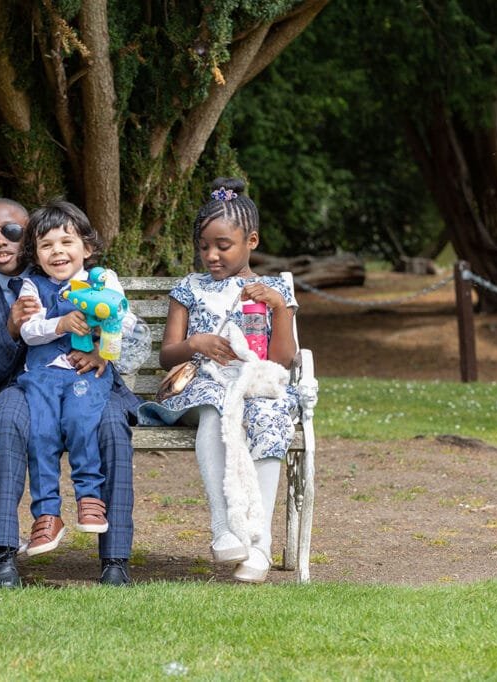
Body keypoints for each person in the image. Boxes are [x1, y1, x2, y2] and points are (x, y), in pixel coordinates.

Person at [0, 198, 140, 587]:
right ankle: (4, 555)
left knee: (111, 426)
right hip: (24, 386)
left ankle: (115, 560)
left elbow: (126, 326)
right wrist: (10, 332)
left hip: (92, 379)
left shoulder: (84, 276)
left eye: (11, 231)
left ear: (25, 237)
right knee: (8, 420)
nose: (1, 241)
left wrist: (101, 354)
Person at [137, 178, 298, 584]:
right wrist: (197, 342)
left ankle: (258, 546)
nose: (211, 255)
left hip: (255, 384)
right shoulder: (189, 289)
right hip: (202, 387)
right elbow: (167, 354)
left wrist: (278, 308)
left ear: (252, 240)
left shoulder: (274, 291)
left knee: (270, 414)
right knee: (214, 403)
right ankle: (224, 527)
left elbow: (282, 359)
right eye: (204, 245)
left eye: (222, 246)